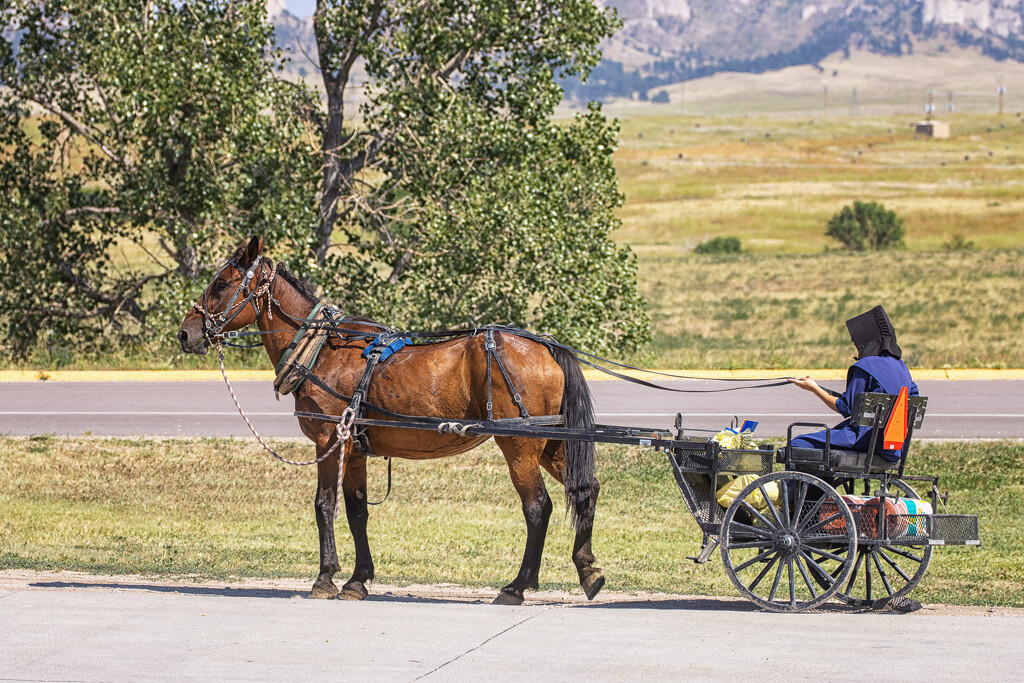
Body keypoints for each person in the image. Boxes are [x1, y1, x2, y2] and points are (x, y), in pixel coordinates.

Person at [788, 305, 919, 463]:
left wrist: (813, 388)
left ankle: (804, 488)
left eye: (855, 337)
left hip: (863, 440)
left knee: (797, 444)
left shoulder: (865, 366)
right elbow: (913, 397)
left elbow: (844, 407)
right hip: (894, 446)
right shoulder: (902, 367)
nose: (852, 340)